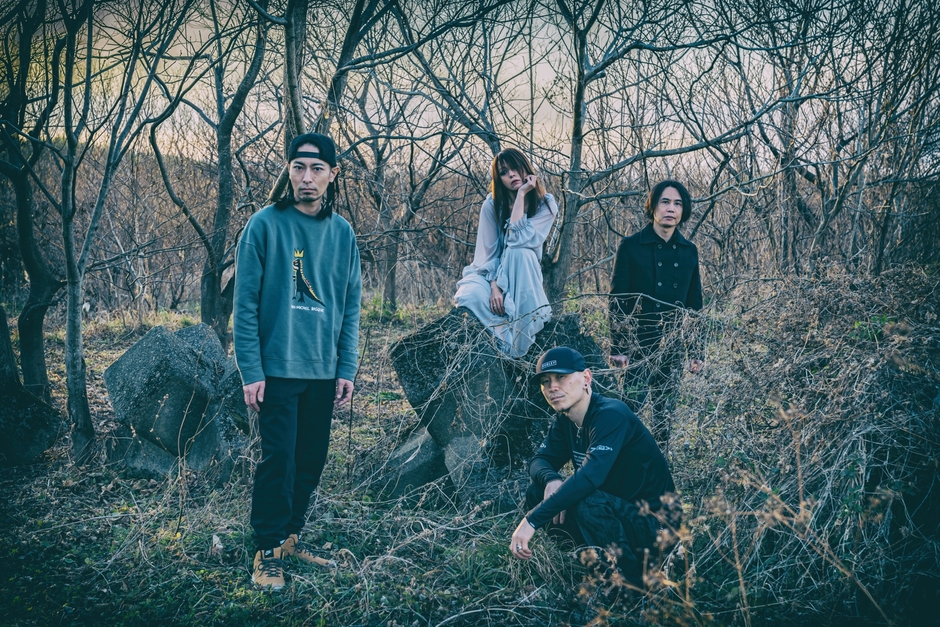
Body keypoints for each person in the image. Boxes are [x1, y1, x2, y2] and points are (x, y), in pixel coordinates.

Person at [233, 132, 362, 590]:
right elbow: (244, 305)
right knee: (279, 462)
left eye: (317, 169)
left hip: (323, 370)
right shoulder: (264, 225)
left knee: (311, 460)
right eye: (298, 167)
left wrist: (346, 367)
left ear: (332, 174)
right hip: (277, 370)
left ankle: (289, 538)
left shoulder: (342, 233)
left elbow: (351, 305)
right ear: (288, 171)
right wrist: (251, 371)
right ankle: (266, 551)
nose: (307, 177)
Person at [509, 347, 679, 587]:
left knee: (585, 499)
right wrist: (551, 479)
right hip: (616, 519)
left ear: (586, 378)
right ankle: (591, 565)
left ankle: (632, 586)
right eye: (545, 381)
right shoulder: (565, 420)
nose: (552, 387)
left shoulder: (611, 415)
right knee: (537, 493)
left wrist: (531, 521)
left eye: (561, 377)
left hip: (657, 529)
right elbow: (539, 461)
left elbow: (590, 478)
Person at [608, 180, 703, 452]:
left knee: (664, 417)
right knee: (631, 411)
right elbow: (618, 299)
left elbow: (694, 305)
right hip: (639, 346)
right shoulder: (631, 246)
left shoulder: (688, 251)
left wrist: (696, 350)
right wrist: (619, 347)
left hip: (671, 347)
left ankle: (659, 467)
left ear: (683, 210)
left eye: (678, 203)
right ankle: (625, 465)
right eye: (665, 202)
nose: (671, 209)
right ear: (653, 206)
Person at [454, 147, 558, 357]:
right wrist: (494, 286)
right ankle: (504, 340)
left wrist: (521, 195)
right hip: (491, 273)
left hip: (522, 271)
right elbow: (487, 255)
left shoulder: (546, 204)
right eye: (503, 172)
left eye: (515, 168)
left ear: (525, 168)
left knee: (519, 253)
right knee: (469, 296)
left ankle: (520, 341)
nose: (511, 174)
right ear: (498, 179)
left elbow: (517, 240)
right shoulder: (491, 205)